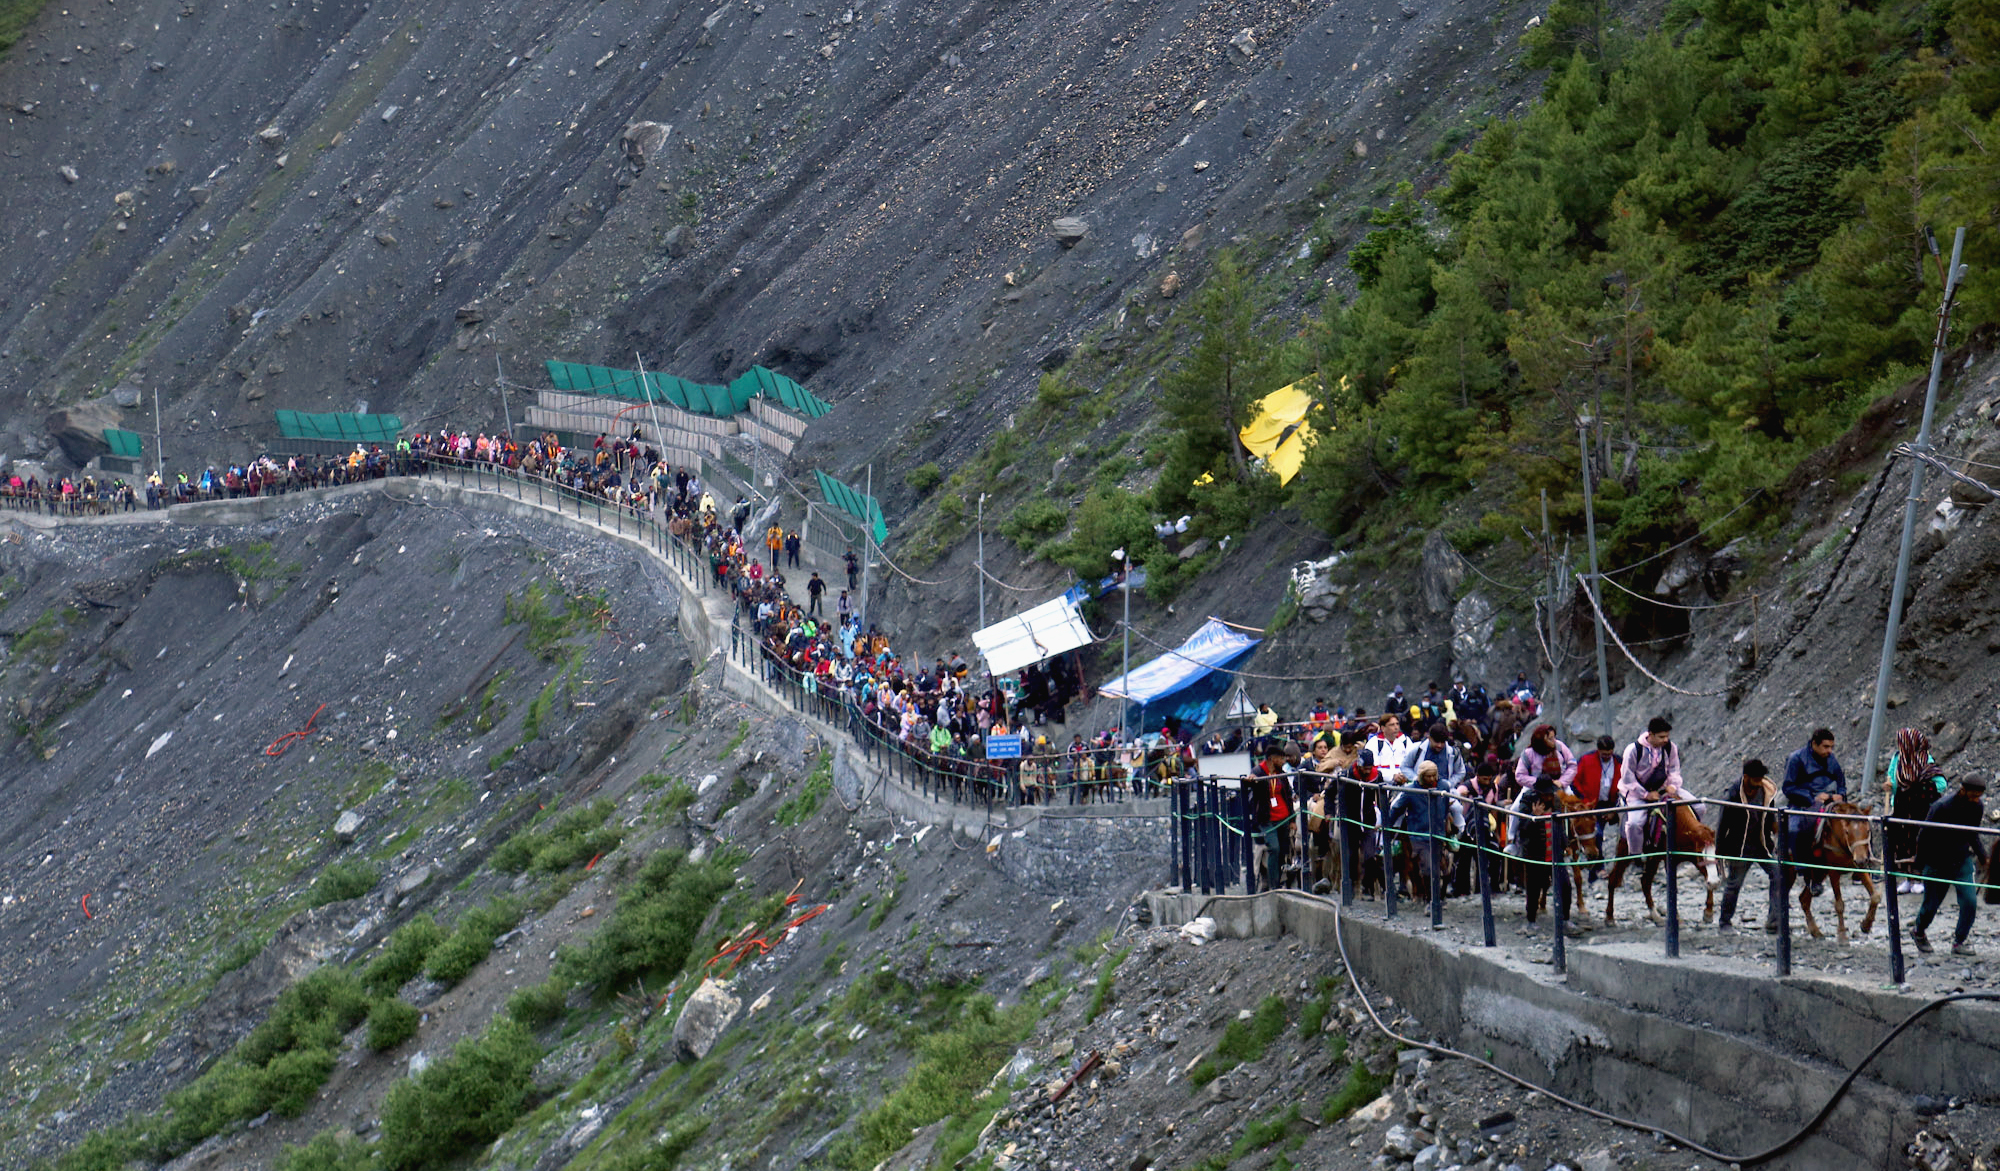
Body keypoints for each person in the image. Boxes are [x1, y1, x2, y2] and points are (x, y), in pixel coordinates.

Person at [1911, 773, 1989, 956]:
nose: (1976, 799)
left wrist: (1984, 857)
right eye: (1973, 795)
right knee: (1931, 906)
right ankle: (1919, 931)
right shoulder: (1941, 807)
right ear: (1963, 790)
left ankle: (1959, 942)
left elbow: (1973, 834)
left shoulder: (1977, 807)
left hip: (1961, 860)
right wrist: (1918, 865)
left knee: (1970, 901)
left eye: (1979, 796)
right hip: (1937, 862)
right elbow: (1923, 836)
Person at [1715, 760, 1779, 935]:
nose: (1758, 783)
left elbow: (1771, 817)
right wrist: (1719, 851)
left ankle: (1774, 921)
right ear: (1746, 777)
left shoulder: (1766, 792)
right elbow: (1722, 824)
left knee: (1778, 875)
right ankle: (1724, 922)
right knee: (1734, 884)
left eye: (1760, 779)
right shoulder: (1733, 795)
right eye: (1755, 779)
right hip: (1740, 847)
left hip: (1762, 845)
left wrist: (1777, 834)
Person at [1781, 727, 1845, 897]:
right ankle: (1804, 870)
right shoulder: (1796, 759)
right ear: (1814, 744)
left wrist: (1840, 794)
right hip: (1803, 804)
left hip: (1830, 802)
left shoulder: (1831, 759)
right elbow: (1788, 787)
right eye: (1826, 747)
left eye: (1831, 747)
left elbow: (1841, 782)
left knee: (1855, 823)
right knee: (1794, 830)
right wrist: (1812, 797)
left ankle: (1860, 865)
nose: (1830, 751)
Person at [1885, 727, 1945, 895]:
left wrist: (1919, 788)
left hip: (1922, 809)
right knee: (1902, 842)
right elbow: (1893, 779)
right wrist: (1890, 786)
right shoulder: (1897, 758)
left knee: (1921, 842)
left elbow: (1941, 784)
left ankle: (1921, 878)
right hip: (1901, 807)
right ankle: (1908, 878)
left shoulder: (1926, 759)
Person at [1619, 717, 1689, 856]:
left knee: (1698, 806)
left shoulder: (1670, 747)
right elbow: (1627, 778)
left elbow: (1674, 769)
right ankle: (1636, 855)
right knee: (1634, 824)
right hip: (1637, 793)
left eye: (1667, 736)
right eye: (1662, 737)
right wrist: (1646, 795)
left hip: (1663, 789)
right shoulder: (1633, 750)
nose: (1666, 740)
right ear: (1651, 735)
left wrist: (1673, 785)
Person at [1386, 761, 1455, 900]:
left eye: (1433, 775)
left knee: (1444, 869)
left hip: (1438, 834)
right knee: (1428, 868)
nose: (1431, 779)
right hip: (1419, 835)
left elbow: (1446, 806)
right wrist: (1387, 825)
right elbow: (1396, 809)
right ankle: (1430, 900)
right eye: (1428, 776)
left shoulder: (1443, 787)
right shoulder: (1411, 790)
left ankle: (1439, 897)